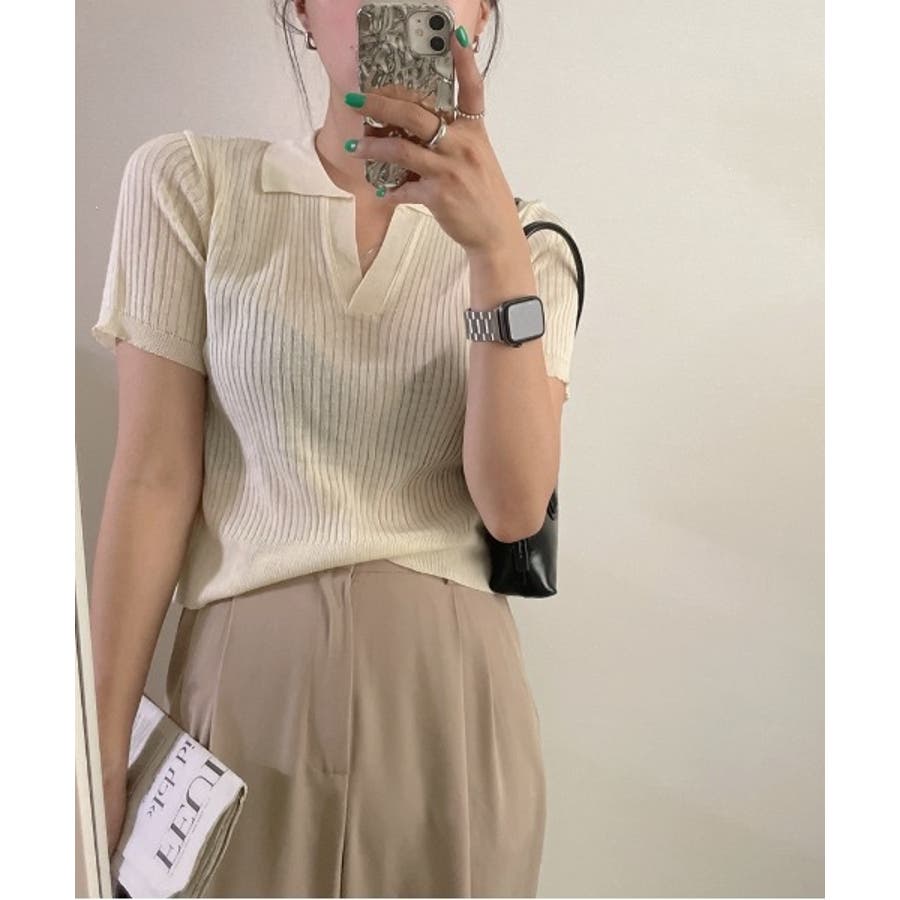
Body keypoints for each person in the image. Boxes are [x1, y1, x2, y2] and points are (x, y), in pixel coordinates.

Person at [89, 0, 578, 895]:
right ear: (304, 11)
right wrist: (93, 752)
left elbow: (514, 508)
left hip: (452, 712)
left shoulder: (531, 244)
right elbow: (153, 480)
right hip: (242, 709)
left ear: (479, 16)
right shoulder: (193, 185)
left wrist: (495, 255)